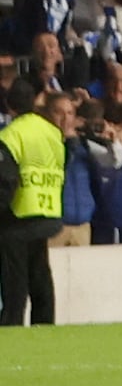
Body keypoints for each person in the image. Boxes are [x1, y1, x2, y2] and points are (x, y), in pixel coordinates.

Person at [1, 69, 57, 327]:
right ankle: (45, 328)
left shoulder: (10, 135)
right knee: (41, 277)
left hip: (18, 215)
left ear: (9, 105)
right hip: (48, 210)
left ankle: (11, 329)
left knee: (15, 282)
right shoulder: (51, 131)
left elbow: (6, 180)